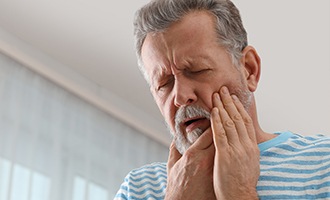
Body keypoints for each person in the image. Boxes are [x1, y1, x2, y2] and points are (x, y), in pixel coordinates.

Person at [115, 0, 330, 199]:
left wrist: (239, 192)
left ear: (248, 70)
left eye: (197, 70)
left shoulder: (324, 162)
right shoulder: (138, 188)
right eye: (164, 84)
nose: (180, 97)